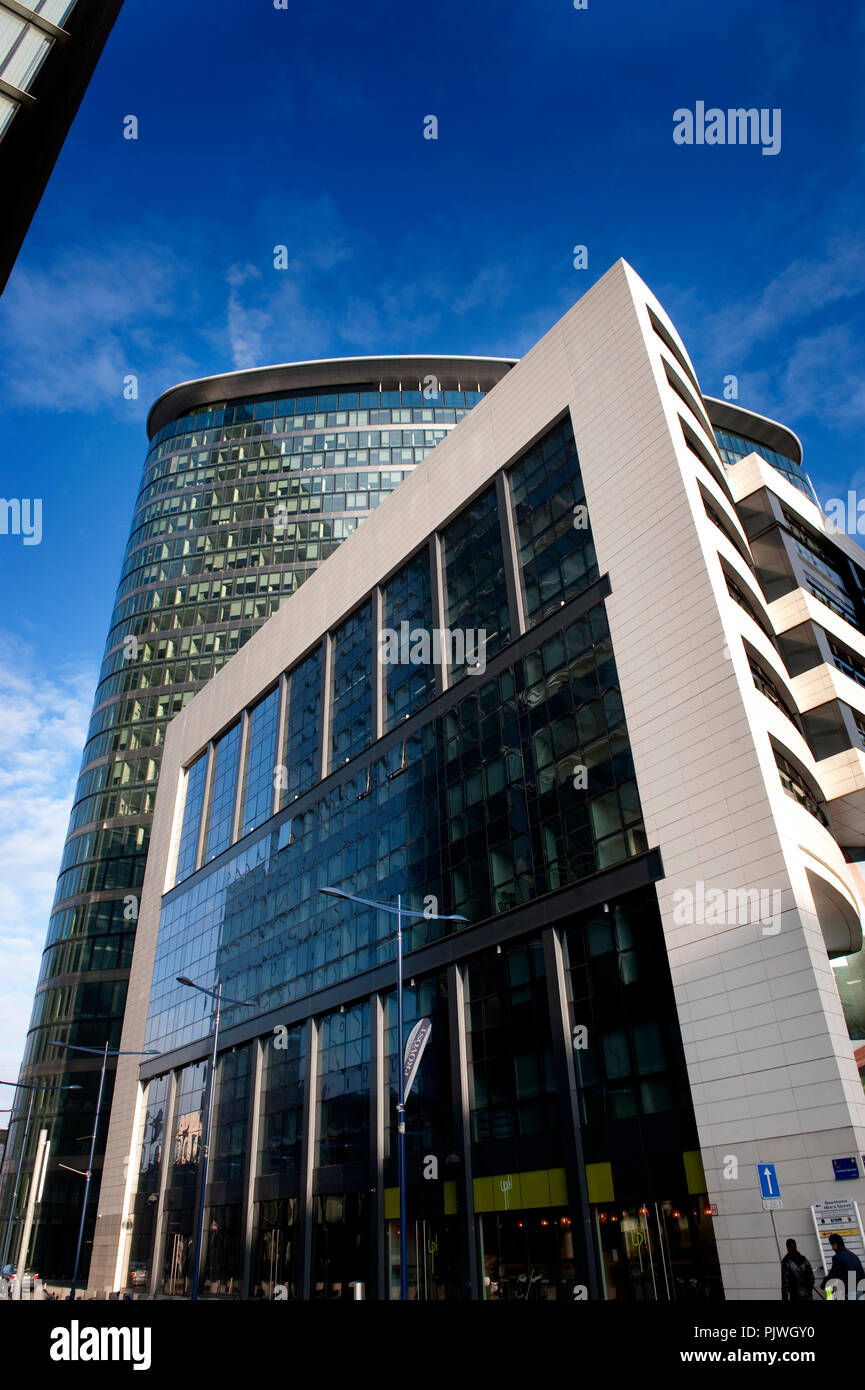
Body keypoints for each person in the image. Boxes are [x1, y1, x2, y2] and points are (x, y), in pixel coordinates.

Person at [822, 1234, 865, 1299]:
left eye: (832, 1245)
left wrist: (824, 1283)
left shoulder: (837, 1257)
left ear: (835, 1245)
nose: (832, 1248)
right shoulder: (853, 1255)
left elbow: (833, 1274)